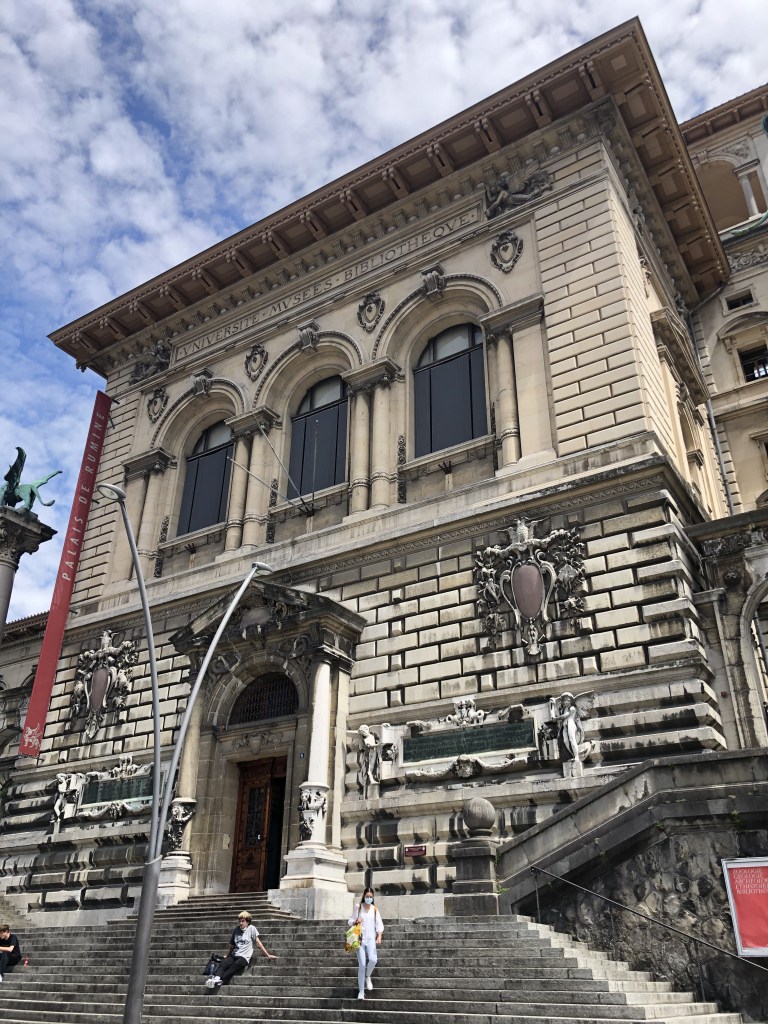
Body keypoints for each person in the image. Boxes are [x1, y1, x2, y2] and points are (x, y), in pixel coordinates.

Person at [204, 910, 277, 989]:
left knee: (236, 965)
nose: (241, 923)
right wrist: (228, 955)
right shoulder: (236, 930)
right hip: (235, 955)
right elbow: (231, 945)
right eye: (240, 921)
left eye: (243, 921)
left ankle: (221, 979)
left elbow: (258, 943)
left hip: (244, 957)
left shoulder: (251, 928)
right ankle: (217, 978)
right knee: (224, 963)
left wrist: (267, 955)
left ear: (248, 922)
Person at [348, 886, 383, 1000]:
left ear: (373, 897)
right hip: (360, 939)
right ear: (364, 896)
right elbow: (349, 921)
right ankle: (361, 992)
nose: (369, 898)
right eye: (367, 896)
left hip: (371, 939)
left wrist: (379, 936)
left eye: (370, 897)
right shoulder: (358, 908)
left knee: (373, 960)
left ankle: (368, 976)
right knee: (362, 964)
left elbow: (379, 924)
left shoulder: (375, 909)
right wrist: (355, 921)